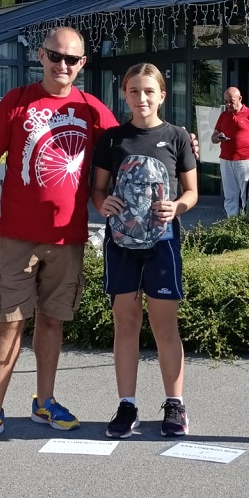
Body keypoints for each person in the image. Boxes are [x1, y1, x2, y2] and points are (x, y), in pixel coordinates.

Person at [0, 26, 118, 446]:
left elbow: (129, 146)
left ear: (83, 64)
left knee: (52, 321)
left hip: (68, 237)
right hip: (17, 235)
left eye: (72, 59)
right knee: (10, 322)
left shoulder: (91, 109)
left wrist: (178, 144)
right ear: (41, 55)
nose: (62, 65)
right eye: (55, 56)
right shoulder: (16, 102)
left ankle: (45, 401)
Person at [92, 63, 198, 440]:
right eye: (134, 91)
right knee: (126, 321)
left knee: (164, 324)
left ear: (162, 95)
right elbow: (98, 191)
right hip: (121, 243)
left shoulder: (177, 137)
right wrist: (102, 205)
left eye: (149, 91)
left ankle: (175, 403)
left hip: (163, 243)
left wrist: (178, 207)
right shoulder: (112, 138)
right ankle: (127, 404)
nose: (142, 98)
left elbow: (191, 191)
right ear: (125, 94)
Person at [211, 87, 249, 216]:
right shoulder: (223, 115)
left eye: (231, 101)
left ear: (239, 99)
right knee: (230, 194)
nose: (228, 105)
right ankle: (232, 223)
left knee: (247, 194)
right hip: (226, 159)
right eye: (226, 101)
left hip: (245, 160)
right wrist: (218, 137)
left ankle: (247, 221)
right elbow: (213, 138)